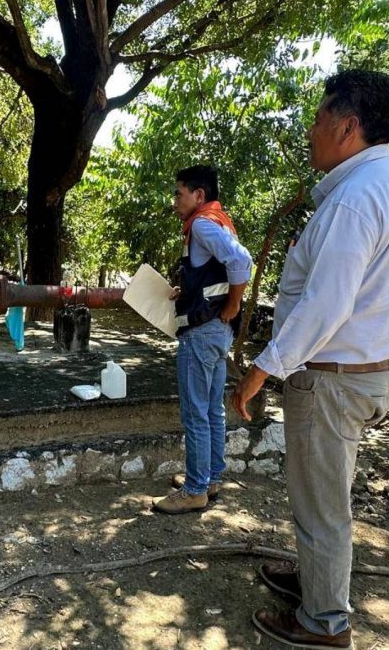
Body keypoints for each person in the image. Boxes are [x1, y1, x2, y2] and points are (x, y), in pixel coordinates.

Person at [232, 70, 389, 649]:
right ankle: (316, 584)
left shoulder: (356, 198)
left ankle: (324, 623)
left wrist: (263, 367)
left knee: (322, 505)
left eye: (318, 121)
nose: (310, 133)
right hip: (362, 374)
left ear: (348, 127)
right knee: (324, 492)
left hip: (331, 377)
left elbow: (326, 305)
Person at [152, 165, 253, 514]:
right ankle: (210, 479)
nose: (175, 199)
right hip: (217, 331)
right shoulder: (218, 221)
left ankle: (195, 490)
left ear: (199, 195)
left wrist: (235, 303)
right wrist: (190, 291)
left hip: (202, 331)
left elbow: (241, 260)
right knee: (211, 410)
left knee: (195, 412)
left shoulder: (201, 224)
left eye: (179, 192)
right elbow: (217, 276)